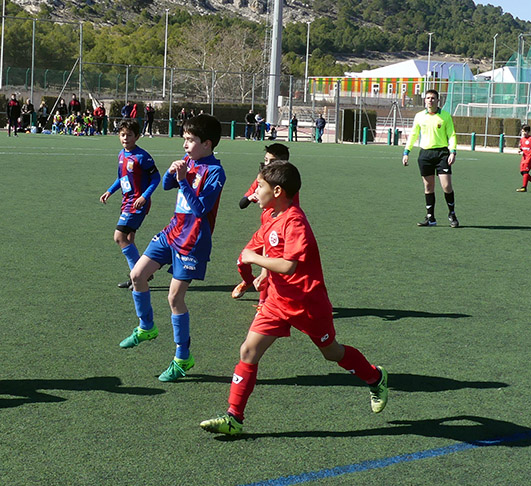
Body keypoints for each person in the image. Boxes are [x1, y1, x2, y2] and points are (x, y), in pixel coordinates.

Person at [199, 161, 387, 435]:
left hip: (307, 303)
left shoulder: (294, 220)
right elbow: (252, 249)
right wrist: (249, 272)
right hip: (276, 302)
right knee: (248, 351)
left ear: (277, 191)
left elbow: (289, 265)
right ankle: (234, 418)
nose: (254, 192)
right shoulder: (272, 218)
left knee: (331, 352)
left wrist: (255, 259)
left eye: (259, 186)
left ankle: (376, 377)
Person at [120, 114, 226, 382]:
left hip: (193, 241)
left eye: (190, 140)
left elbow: (201, 209)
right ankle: (146, 327)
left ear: (207, 144)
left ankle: (182, 356)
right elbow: (167, 186)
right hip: (171, 232)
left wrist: (183, 181)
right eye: (185, 139)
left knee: (174, 299)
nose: (185, 145)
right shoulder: (189, 161)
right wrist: (171, 173)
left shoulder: (215, 173)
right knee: (137, 276)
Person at [101, 119, 160, 288]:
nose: (125, 138)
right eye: (122, 135)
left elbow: (156, 178)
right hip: (126, 201)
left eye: (129, 135)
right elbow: (122, 178)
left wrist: (144, 197)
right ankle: (138, 276)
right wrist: (110, 191)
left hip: (137, 204)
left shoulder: (142, 156)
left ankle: (139, 275)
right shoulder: (121, 154)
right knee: (129, 238)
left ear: (137, 136)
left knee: (119, 237)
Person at [232, 143, 292, 303]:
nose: (266, 165)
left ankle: (263, 304)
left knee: (270, 269)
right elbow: (242, 203)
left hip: (278, 231)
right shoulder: (263, 179)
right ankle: (248, 281)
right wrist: (251, 197)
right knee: (242, 260)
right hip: (264, 230)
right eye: (265, 160)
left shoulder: (286, 183)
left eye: (271, 161)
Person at [402, 89, 459, 228]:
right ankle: (430, 218)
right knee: (428, 186)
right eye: (428, 98)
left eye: (433, 98)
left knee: (446, 186)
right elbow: (414, 134)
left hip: (442, 154)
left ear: (438, 100)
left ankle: (452, 214)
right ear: (425, 100)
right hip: (425, 154)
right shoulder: (419, 116)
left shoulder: (445, 116)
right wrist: (406, 151)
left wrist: (452, 151)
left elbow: (451, 134)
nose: (430, 100)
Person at [516, 124, 531, 192]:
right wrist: (520, 150)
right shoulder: (522, 139)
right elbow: (521, 147)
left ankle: (524, 187)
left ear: (527, 132)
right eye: (522, 131)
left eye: (524, 131)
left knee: (525, 172)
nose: (522, 132)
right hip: (524, 158)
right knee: (522, 173)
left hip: (530, 158)